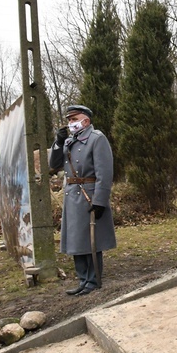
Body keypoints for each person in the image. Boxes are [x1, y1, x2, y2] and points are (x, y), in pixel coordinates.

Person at [49, 105, 116, 296]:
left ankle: (93, 280)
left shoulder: (97, 139)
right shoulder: (69, 141)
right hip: (72, 195)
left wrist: (100, 200)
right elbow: (53, 165)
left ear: (85, 121)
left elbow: (105, 172)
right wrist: (58, 142)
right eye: (69, 120)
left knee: (91, 238)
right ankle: (82, 279)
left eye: (74, 119)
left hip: (89, 194)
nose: (71, 123)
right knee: (76, 240)